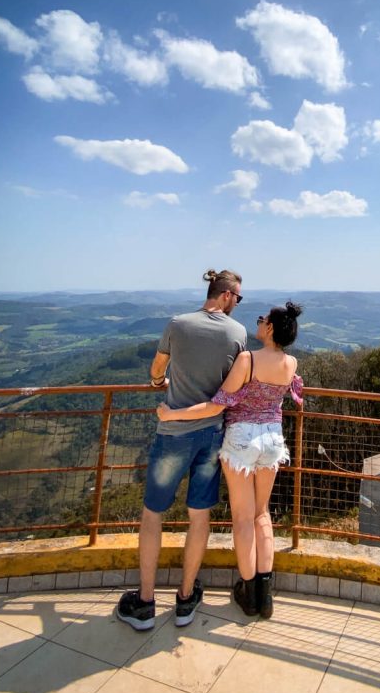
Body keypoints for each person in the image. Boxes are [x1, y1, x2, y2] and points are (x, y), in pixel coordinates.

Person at [116, 269, 246, 631]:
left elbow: (158, 367)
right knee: (199, 516)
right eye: (238, 298)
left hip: (173, 432)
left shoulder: (177, 324)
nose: (237, 304)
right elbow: (232, 384)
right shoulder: (237, 333)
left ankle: (144, 603)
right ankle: (186, 599)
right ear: (225, 295)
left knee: (152, 514)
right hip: (211, 433)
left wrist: (160, 382)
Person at [157, 301, 302, 619]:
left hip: (242, 439)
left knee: (242, 517)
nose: (259, 322)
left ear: (270, 329)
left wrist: (173, 413)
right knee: (262, 515)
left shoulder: (247, 360)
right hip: (273, 439)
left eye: (263, 319)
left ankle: (248, 592)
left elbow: (215, 406)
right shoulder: (290, 363)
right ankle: (265, 596)